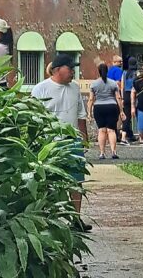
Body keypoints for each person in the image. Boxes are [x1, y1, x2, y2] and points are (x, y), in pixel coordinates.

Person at [31, 53, 92, 231]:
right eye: (69, 68)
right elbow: (34, 116)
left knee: (76, 181)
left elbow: (81, 115)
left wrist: (84, 138)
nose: (73, 72)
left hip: (72, 141)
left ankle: (76, 219)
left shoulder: (74, 88)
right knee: (49, 182)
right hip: (50, 142)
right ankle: (48, 219)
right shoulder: (41, 89)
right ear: (57, 70)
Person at [87, 62, 124, 160]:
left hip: (99, 108)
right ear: (107, 71)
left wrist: (89, 113)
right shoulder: (113, 83)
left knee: (102, 130)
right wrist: (121, 111)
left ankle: (102, 153)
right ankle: (113, 152)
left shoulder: (94, 84)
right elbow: (118, 98)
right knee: (111, 130)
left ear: (98, 72)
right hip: (111, 107)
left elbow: (91, 99)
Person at [120, 55, 138, 145]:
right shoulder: (137, 74)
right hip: (135, 95)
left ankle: (125, 137)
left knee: (126, 117)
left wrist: (122, 98)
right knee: (139, 115)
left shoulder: (124, 73)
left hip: (126, 95)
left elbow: (122, 86)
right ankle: (142, 137)